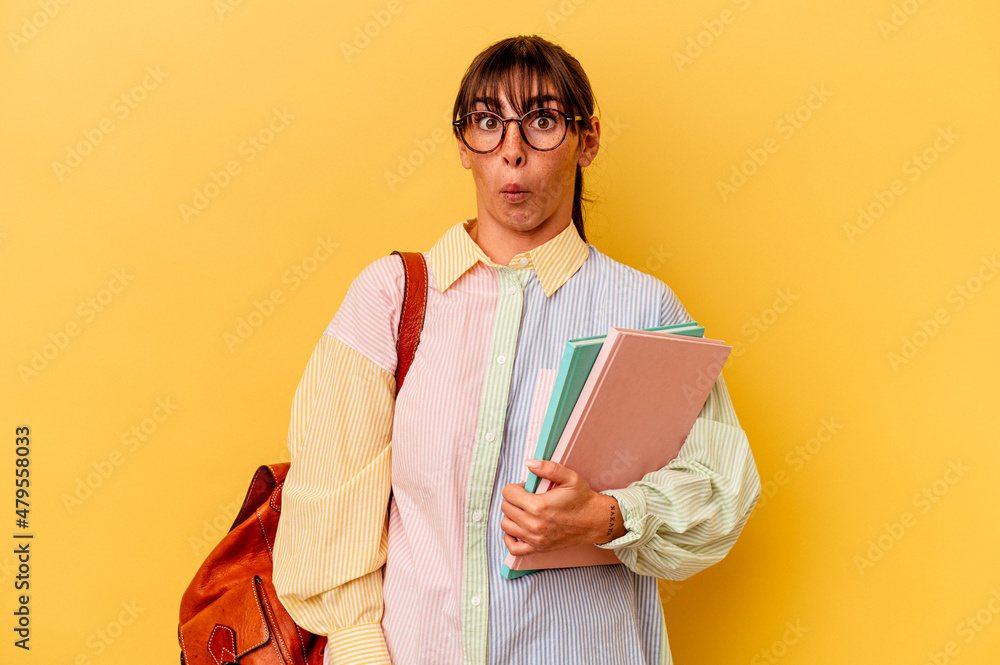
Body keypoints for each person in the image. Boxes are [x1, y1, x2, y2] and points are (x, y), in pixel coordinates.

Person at [272, 35, 761, 665]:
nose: (512, 151)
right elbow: (327, 500)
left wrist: (608, 517)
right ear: (463, 145)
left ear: (588, 140)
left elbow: (722, 490)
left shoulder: (644, 309)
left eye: (542, 122)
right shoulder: (391, 299)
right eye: (487, 123)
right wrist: (361, 649)